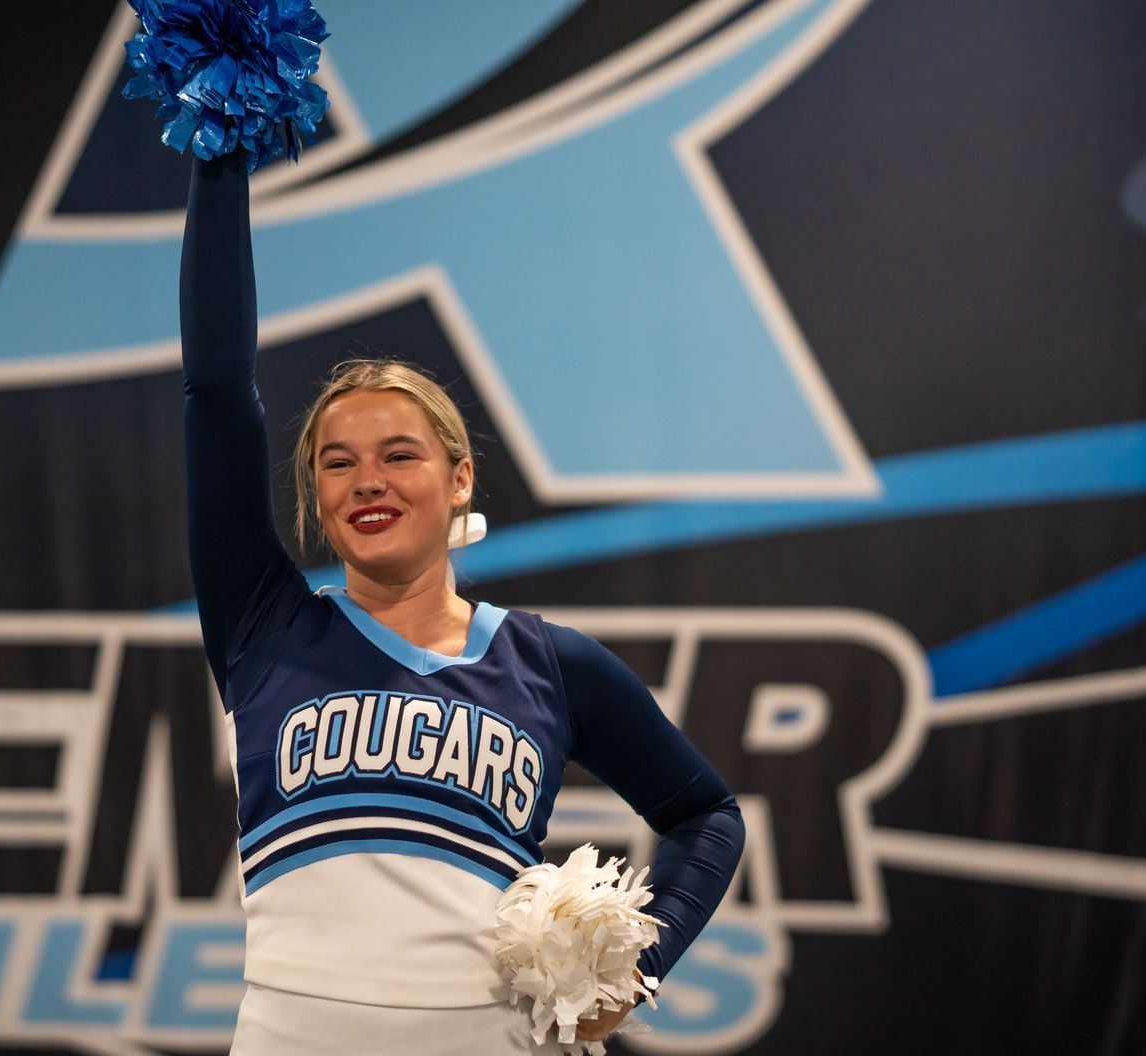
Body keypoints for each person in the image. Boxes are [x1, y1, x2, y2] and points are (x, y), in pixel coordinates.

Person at [180, 152, 745, 1055]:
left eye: (399, 455)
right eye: (338, 461)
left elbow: (706, 816)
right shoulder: (266, 626)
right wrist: (220, 160)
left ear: (459, 477)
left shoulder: (551, 665)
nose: (369, 480)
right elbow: (215, 394)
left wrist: (637, 969)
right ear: (316, 499)